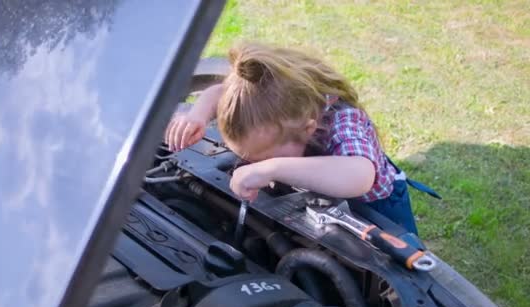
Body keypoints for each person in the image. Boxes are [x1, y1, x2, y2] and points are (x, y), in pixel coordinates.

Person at [164, 42, 440, 246]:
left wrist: (271, 168)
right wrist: (198, 113)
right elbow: (221, 91)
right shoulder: (269, 97)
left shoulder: (344, 122)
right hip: (321, 198)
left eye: (260, 157)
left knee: (401, 258)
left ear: (308, 128)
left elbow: (360, 176)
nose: (252, 165)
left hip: (376, 209)